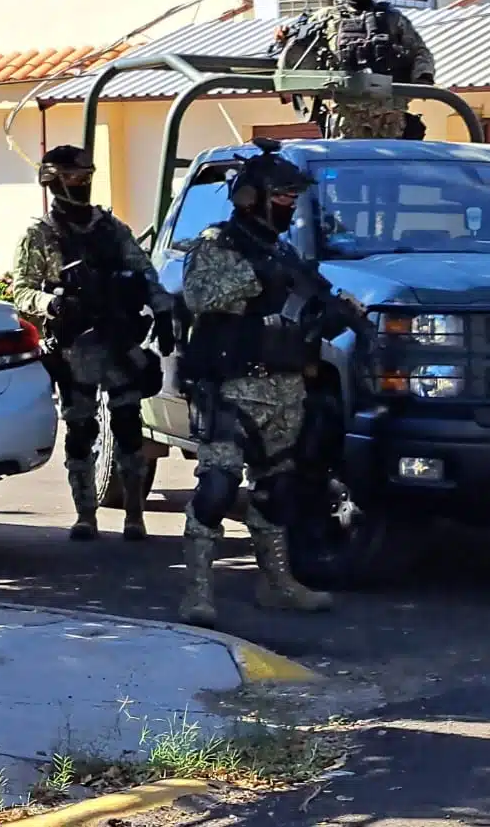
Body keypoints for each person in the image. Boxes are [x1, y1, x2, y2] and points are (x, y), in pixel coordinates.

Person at [174, 143, 343, 627]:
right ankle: (198, 594)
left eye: (295, 195)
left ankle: (277, 583)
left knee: (277, 490)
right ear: (252, 197)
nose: (291, 204)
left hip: (283, 389)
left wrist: (328, 314)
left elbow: (306, 308)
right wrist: (260, 277)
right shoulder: (218, 243)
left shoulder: (285, 251)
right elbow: (199, 295)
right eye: (283, 194)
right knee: (217, 487)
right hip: (230, 387)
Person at [12, 145, 174, 542]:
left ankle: (134, 514)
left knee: (128, 426)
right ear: (53, 181)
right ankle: (86, 515)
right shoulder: (41, 235)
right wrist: (51, 303)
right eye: (72, 178)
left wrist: (164, 312)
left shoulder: (111, 229)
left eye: (86, 176)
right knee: (81, 429)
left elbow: (144, 271)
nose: (81, 184)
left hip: (118, 340)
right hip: (73, 345)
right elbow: (21, 289)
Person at [291, 0, 436, 140]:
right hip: (345, 115)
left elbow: (420, 52)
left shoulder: (393, 19)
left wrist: (422, 79)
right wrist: (286, 39)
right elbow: (295, 56)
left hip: (389, 115)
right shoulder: (324, 19)